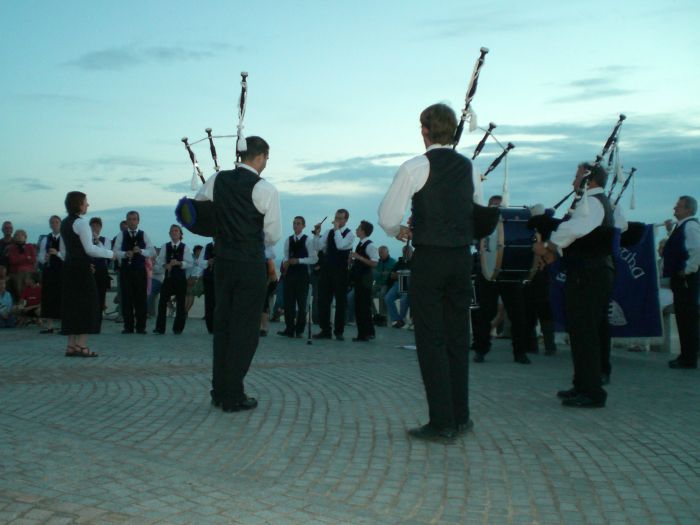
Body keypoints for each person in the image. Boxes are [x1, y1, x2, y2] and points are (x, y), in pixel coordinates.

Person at [378, 103, 476, 441]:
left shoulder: (415, 167)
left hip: (431, 257)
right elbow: (473, 210)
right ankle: (461, 416)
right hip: (462, 258)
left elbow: (388, 214)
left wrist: (398, 231)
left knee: (431, 339)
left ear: (424, 130)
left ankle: (442, 422)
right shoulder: (468, 166)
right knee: (458, 336)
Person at [195, 136, 282, 412]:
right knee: (245, 331)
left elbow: (199, 208)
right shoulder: (265, 189)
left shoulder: (217, 179)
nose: (266, 163)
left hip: (223, 262)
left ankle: (219, 389)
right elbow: (273, 235)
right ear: (260, 156)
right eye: (266, 158)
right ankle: (233, 393)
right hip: (249, 263)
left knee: (224, 326)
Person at [534, 162, 615, 408]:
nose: (573, 181)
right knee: (580, 332)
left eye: (577, 176)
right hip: (586, 273)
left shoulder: (592, 203)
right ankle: (582, 384)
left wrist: (547, 246)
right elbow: (572, 233)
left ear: (588, 180)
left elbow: (571, 230)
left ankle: (592, 392)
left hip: (590, 274)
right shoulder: (592, 202)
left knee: (586, 332)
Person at [472, 195, 532, 365]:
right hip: (487, 273)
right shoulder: (481, 222)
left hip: (510, 274)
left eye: (498, 207)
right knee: (484, 313)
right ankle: (480, 349)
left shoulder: (508, 224)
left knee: (518, 314)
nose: (495, 209)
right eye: (493, 206)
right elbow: (476, 240)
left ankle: (520, 352)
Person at [60, 191, 116, 357]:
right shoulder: (81, 223)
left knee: (71, 305)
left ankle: (71, 345)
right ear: (78, 204)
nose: (88, 204)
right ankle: (82, 345)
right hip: (81, 268)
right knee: (88, 304)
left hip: (70, 267)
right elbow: (89, 248)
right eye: (85, 202)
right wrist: (111, 254)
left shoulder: (64, 223)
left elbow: (65, 251)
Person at [662, 195, 699, 369]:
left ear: (688, 209)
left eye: (679, 206)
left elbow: (696, 249)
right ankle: (686, 355)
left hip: (686, 279)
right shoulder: (682, 226)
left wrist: (688, 270)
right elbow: (679, 248)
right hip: (681, 278)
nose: (675, 209)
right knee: (683, 317)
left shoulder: (691, 226)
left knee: (687, 317)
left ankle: (688, 357)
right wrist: (670, 231)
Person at [312, 209, 355, 340]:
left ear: (346, 220)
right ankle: (325, 330)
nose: (337, 220)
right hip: (327, 270)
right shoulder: (328, 232)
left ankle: (339, 331)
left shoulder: (350, 235)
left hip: (341, 271)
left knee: (341, 302)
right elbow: (318, 247)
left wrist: (336, 230)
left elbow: (341, 245)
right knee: (323, 300)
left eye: (340, 218)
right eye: (336, 218)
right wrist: (317, 234)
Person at [113, 211, 154, 334]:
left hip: (140, 270)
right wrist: (125, 254)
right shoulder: (121, 235)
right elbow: (115, 251)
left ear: (138, 221)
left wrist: (141, 251)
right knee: (126, 299)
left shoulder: (143, 234)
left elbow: (152, 251)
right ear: (127, 220)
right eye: (130, 219)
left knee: (141, 299)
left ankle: (141, 327)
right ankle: (128, 326)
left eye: (134, 219)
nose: (132, 221)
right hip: (125, 270)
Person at [278, 216, 318, 338]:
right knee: (288, 302)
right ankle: (289, 328)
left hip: (302, 275)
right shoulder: (288, 240)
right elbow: (286, 255)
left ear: (303, 226)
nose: (296, 226)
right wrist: (285, 262)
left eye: (298, 224)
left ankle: (299, 330)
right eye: (294, 223)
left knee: (301, 304)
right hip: (290, 275)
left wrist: (299, 260)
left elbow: (314, 259)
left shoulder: (308, 241)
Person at [154, 225, 193, 335]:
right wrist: (165, 265)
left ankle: (178, 328)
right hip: (168, 278)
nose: (174, 233)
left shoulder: (185, 247)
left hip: (180, 279)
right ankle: (160, 328)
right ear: (169, 234)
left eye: (176, 231)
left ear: (180, 234)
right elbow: (159, 262)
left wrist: (180, 263)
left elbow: (190, 263)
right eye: (172, 231)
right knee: (162, 302)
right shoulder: (165, 246)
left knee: (181, 303)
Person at [349, 220, 379, 341]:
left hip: (365, 280)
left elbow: (374, 262)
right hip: (360, 279)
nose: (356, 229)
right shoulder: (361, 244)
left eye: (358, 228)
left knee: (363, 306)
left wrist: (359, 257)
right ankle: (367, 332)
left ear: (363, 231)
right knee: (361, 306)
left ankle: (364, 333)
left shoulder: (370, 245)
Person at [38, 215, 65, 334]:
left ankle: (65, 325)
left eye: (57, 222)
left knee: (62, 297)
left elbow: (68, 255)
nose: (54, 224)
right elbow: (40, 255)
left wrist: (58, 253)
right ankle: (49, 326)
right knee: (48, 297)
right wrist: (44, 258)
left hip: (62, 271)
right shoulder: (45, 239)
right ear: (50, 225)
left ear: (60, 224)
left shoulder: (65, 238)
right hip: (49, 271)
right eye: (52, 222)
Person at [89, 218, 111, 332]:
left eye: (97, 226)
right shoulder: (85, 240)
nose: (95, 228)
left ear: (100, 228)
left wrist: (97, 241)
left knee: (100, 297)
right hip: (88, 270)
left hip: (101, 271)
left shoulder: (105, 240)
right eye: (92, 226)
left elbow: (106, 254)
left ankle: (97, 325)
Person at [384, 244, 412, 328]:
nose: (405, 253)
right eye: (404, 252)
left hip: (408, 284)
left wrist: (400, 274)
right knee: (388, 298)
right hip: (397, 283)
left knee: (404, 300)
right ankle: (395, 319)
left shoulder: (416, 262)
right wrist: (400, 274)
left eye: (407, 252)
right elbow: (392, 275)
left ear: (411, 252)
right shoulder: (399, 262)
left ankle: (401, 320)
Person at [6, 229, 37, 301]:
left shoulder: (30, 246)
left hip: (29, 272)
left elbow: (33, 260)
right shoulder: (11, 248)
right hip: (16, 272)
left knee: (27, 276)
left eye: (21, 235)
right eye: (17, 235)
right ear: (14, 237)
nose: (19, 237)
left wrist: (21, 258)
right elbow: (13, 260)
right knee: (21, 275)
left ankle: (26, 299)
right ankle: (22, 299)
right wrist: (27, 258)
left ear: (25, 237)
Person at [372, 245, 395, 326]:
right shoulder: (378, 262)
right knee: (367, 292)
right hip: (377, 283)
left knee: (381, 294)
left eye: (381, 252)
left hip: (386, 284)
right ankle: (375, 314)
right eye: (379, 253)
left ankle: (383, 316)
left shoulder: (393, 262)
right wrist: (381, 274)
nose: (380, 254)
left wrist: (385, 274)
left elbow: (392, 275)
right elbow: (375, 274)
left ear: (387, 252)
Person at [185, 245, 204, 314]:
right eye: (200, 251)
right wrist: (188, 278)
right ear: (196, 251)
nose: (201, 253)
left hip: (197, 279)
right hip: (189, 278)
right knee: (187, 295)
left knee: (190, 295)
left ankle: (186, 311)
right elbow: (187, 269)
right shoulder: (190, 258)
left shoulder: (202, 259)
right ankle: (184, 312)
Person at [201, 241, 215, 334]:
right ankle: (210, 327)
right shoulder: (207, 246)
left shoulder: (227, 244)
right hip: (209, 278)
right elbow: (199, 261)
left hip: (223, 278)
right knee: (209, 302)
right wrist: (207, 262)